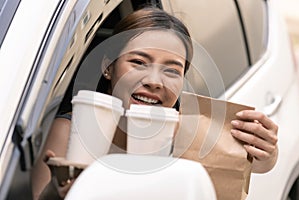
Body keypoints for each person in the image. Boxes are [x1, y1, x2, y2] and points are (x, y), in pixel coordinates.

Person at [31, 6, 278, 199]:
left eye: (172, 71)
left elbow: (248, 165)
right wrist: (57, 192)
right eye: (138, 62)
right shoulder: (73, 130)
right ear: (108, 66)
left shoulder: (191, 134)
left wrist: (267, 153)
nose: (154, 81)